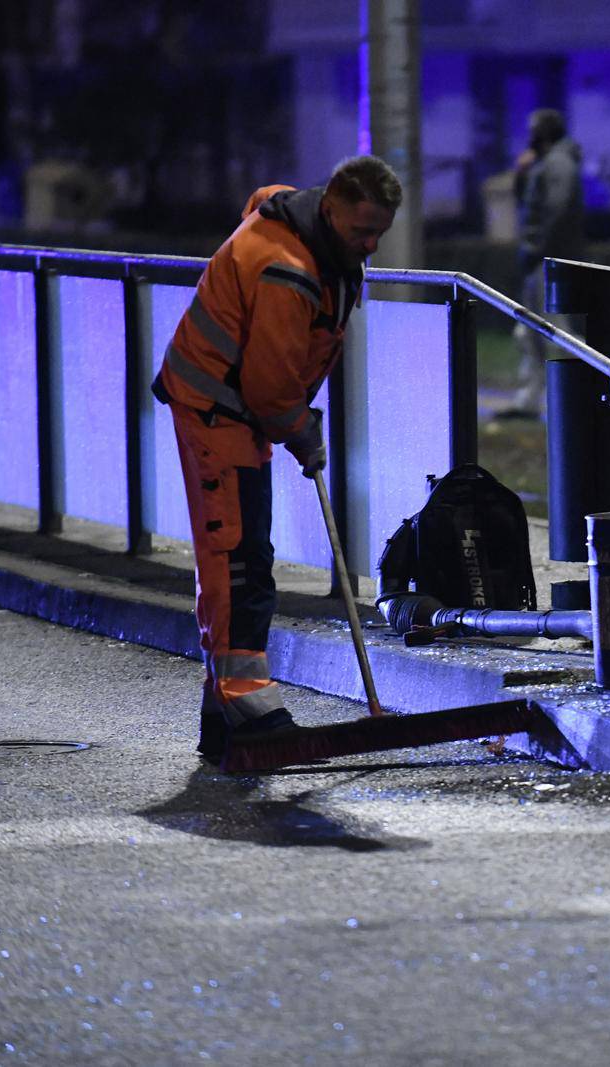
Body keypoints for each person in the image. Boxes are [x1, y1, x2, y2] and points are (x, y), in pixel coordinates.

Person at [151, 155, 401, 763]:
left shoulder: (314, 238)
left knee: (241, 551)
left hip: (231, 407)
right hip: (220, 410)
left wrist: (293, 422)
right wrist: (301, 433)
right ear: (331, 208)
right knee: (238, 557)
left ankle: (223, 713)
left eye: (378, 234)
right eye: (360, 232)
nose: (369, 246)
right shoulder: (285, 270)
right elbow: (268, 388)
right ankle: (243, 696)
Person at [502, 108, 585, 419]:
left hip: (551, 261)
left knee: (559, 332)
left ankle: (576, 395)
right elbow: (529, 203)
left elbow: (557, 211)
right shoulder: (546, 163)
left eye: (533, 130)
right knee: (531, 332)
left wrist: (538, 248)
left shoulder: (559, 164)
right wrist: (522, 175)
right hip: (543, 260)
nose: (529, 136)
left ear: (546, 132)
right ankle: (531, 400)